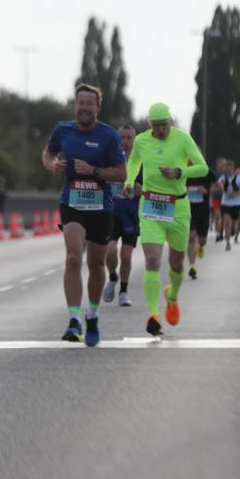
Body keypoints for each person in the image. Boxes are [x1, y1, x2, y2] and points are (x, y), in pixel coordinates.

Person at [43, 84, 127, 346]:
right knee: (71, 258)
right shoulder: (63, 130)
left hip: (101, 208)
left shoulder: (109, 136)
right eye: (81, 103)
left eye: (90, 104)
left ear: (97, 108)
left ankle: (92, 313)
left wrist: (94, 171)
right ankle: (74, 319)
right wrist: (52, 164)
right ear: (75, 104)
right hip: (73, 203)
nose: (85, 108)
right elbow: (48, 153)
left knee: (96, 265)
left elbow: (122, 173)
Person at [123, 103, 208, 336]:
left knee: (177, 264)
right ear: (150, 124)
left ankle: (172, 297)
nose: (161, 130)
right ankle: (154, 316)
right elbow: (134, 161)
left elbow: (203, 168)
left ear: (171, 121)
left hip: (178, 206)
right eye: (157, 126)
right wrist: (130, 181)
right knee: (152, 260)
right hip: (151, 206)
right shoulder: (141, 140)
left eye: (165, 125)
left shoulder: (183, 139)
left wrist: (180, 172)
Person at [103, 123, 142, 306]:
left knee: (126, 255)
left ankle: (124, 292)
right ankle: (112, 277)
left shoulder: (140, 163)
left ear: (134, 140)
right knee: (110, 251)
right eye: (122, 138)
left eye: (129, 138)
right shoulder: (110, 160)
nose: (125, 141)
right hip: (111, 213)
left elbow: (147, 188)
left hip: (131, 214)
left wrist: (137, 187)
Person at [187, 162, 218, 279]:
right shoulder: (185, 171)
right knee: (191, 237)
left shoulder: (205, 171)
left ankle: (200, 247)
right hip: (189, 210)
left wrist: (207, 190)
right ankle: (192, 266)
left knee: (202, 240)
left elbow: (219, 186)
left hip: (203, 211)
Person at [218, 160, 240, 251]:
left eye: (230, 169)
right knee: (227, 223)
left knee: (233, 225)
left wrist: (237, 193)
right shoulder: (223, 177)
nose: (228, 171)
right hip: (225, 204)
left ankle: (233, 231)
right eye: (227, 169)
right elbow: (219, 185)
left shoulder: (238, 178)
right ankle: (228, 243)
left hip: (236, 204)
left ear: (233, 169)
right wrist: (221, 187)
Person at [212, 156, 226, 241]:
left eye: (223, 164)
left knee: (223, 218)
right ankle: (217, 234)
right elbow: (211, 187)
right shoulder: (214, 174)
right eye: (219, 164)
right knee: (217, 217)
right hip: (216, 198)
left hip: (225, 199)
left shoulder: (227, 175)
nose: (221, 166)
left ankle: (221, 233)